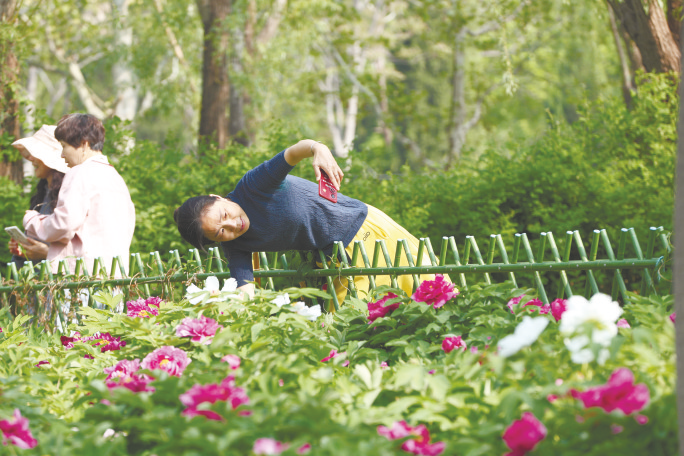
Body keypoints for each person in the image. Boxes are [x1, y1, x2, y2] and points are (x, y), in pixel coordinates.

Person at [174, 139, 436, 304]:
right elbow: (245, 290)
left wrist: (318, 149)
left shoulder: (253, 187)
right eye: (221, 233)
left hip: (363, 231)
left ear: (218, 197)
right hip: (335, 262)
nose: (233, 226)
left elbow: (292, 153)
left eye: (224, 215)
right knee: (356, 325)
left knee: (423, 292)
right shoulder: (236, 246)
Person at [22, 113, 136, 275]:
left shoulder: (79, 173)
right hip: (113, 274)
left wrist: (32, 220)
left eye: (64, 146)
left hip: (80, 276)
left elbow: (64, 225)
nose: (62, 155)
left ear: (84, 144)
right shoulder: (116, 178)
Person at [8, 125, 68, 269]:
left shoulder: (68, 196)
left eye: (37, 153)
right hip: (41, 278)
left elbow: (78, 252)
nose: (30, 158)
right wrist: (23, 249)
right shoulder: (43, 194)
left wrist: (46, 253)